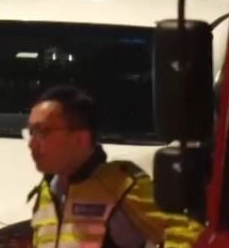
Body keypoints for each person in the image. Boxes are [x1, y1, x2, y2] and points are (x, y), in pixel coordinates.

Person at [26, 86, 204, 248]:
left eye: (43, 131)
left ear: (81, 138)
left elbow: (190, 233)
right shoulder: (46, 191)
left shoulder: (122, 185)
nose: (31, 143)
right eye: (31, 132)